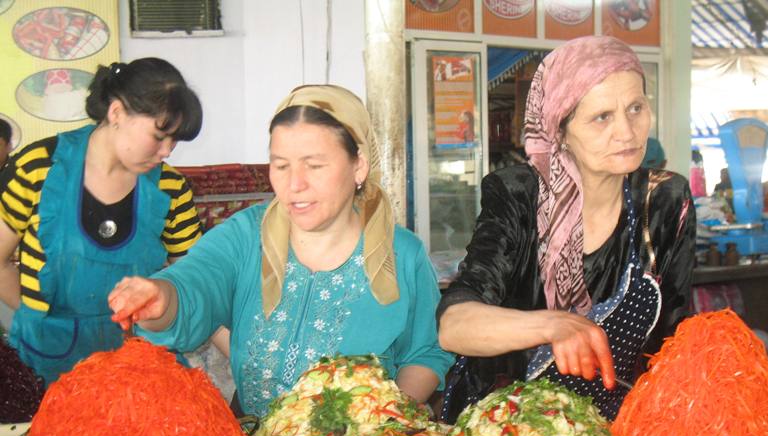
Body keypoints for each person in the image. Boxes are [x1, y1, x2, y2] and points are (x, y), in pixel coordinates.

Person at [108, 84, 453, 417]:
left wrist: (387, 419)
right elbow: (197, 281)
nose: (294, 184)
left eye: (314, 166)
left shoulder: (402, 255)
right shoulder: (246, 235)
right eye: (281, 165)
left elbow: (424, 351)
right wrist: (162, 298)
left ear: (358, 166)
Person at [437, 36, 696, 422]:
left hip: (617, 429)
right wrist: (553, 325)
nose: (626, 132)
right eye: (602, 117)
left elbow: (674, 340)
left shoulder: (663, 200)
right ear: (560, 129)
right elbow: (454, 326)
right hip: (505, 432)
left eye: (636, 108)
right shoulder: (519, 195)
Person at [0, 58, 203, 385]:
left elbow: (196, 279)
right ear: (117, 113)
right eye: (159, 135)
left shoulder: (170, 188)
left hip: (137, 359)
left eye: (175, 141)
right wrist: (36, 318)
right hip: (48, 359)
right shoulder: (40, 167)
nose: (167, 151)